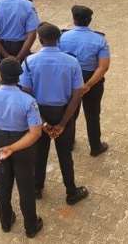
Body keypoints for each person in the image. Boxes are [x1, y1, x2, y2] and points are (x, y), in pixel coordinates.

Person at [20, 22, 89, 205]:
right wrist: (62, 124)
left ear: (40, 40)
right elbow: (76, 96)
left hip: (38, 111)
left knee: (39, 152)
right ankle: (71, 192)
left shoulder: (29, 62)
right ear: (58, 40)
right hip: (64, 111)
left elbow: (26, 94)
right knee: (65, 154)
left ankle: (37, 188)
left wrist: (42, 122)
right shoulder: (72, 62)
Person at [0, 58, 44, 238]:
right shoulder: (28, 100)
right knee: (25, 185)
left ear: (0, 75)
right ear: (19, 78)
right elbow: (35, 133)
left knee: (4, 183)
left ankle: (5, 221)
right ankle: (31, 226)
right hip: (23, 144)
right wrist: (12, 148)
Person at [59, 5, 111, 157]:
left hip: (69, 78)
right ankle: (95, 146)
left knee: (70, 113)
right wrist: (88, 85)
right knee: (92, 114)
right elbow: (103, 66)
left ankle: (68, 144)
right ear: (90, 21)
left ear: (73, 19)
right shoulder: (99, 40)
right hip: (92, 79)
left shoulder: (62, 37)